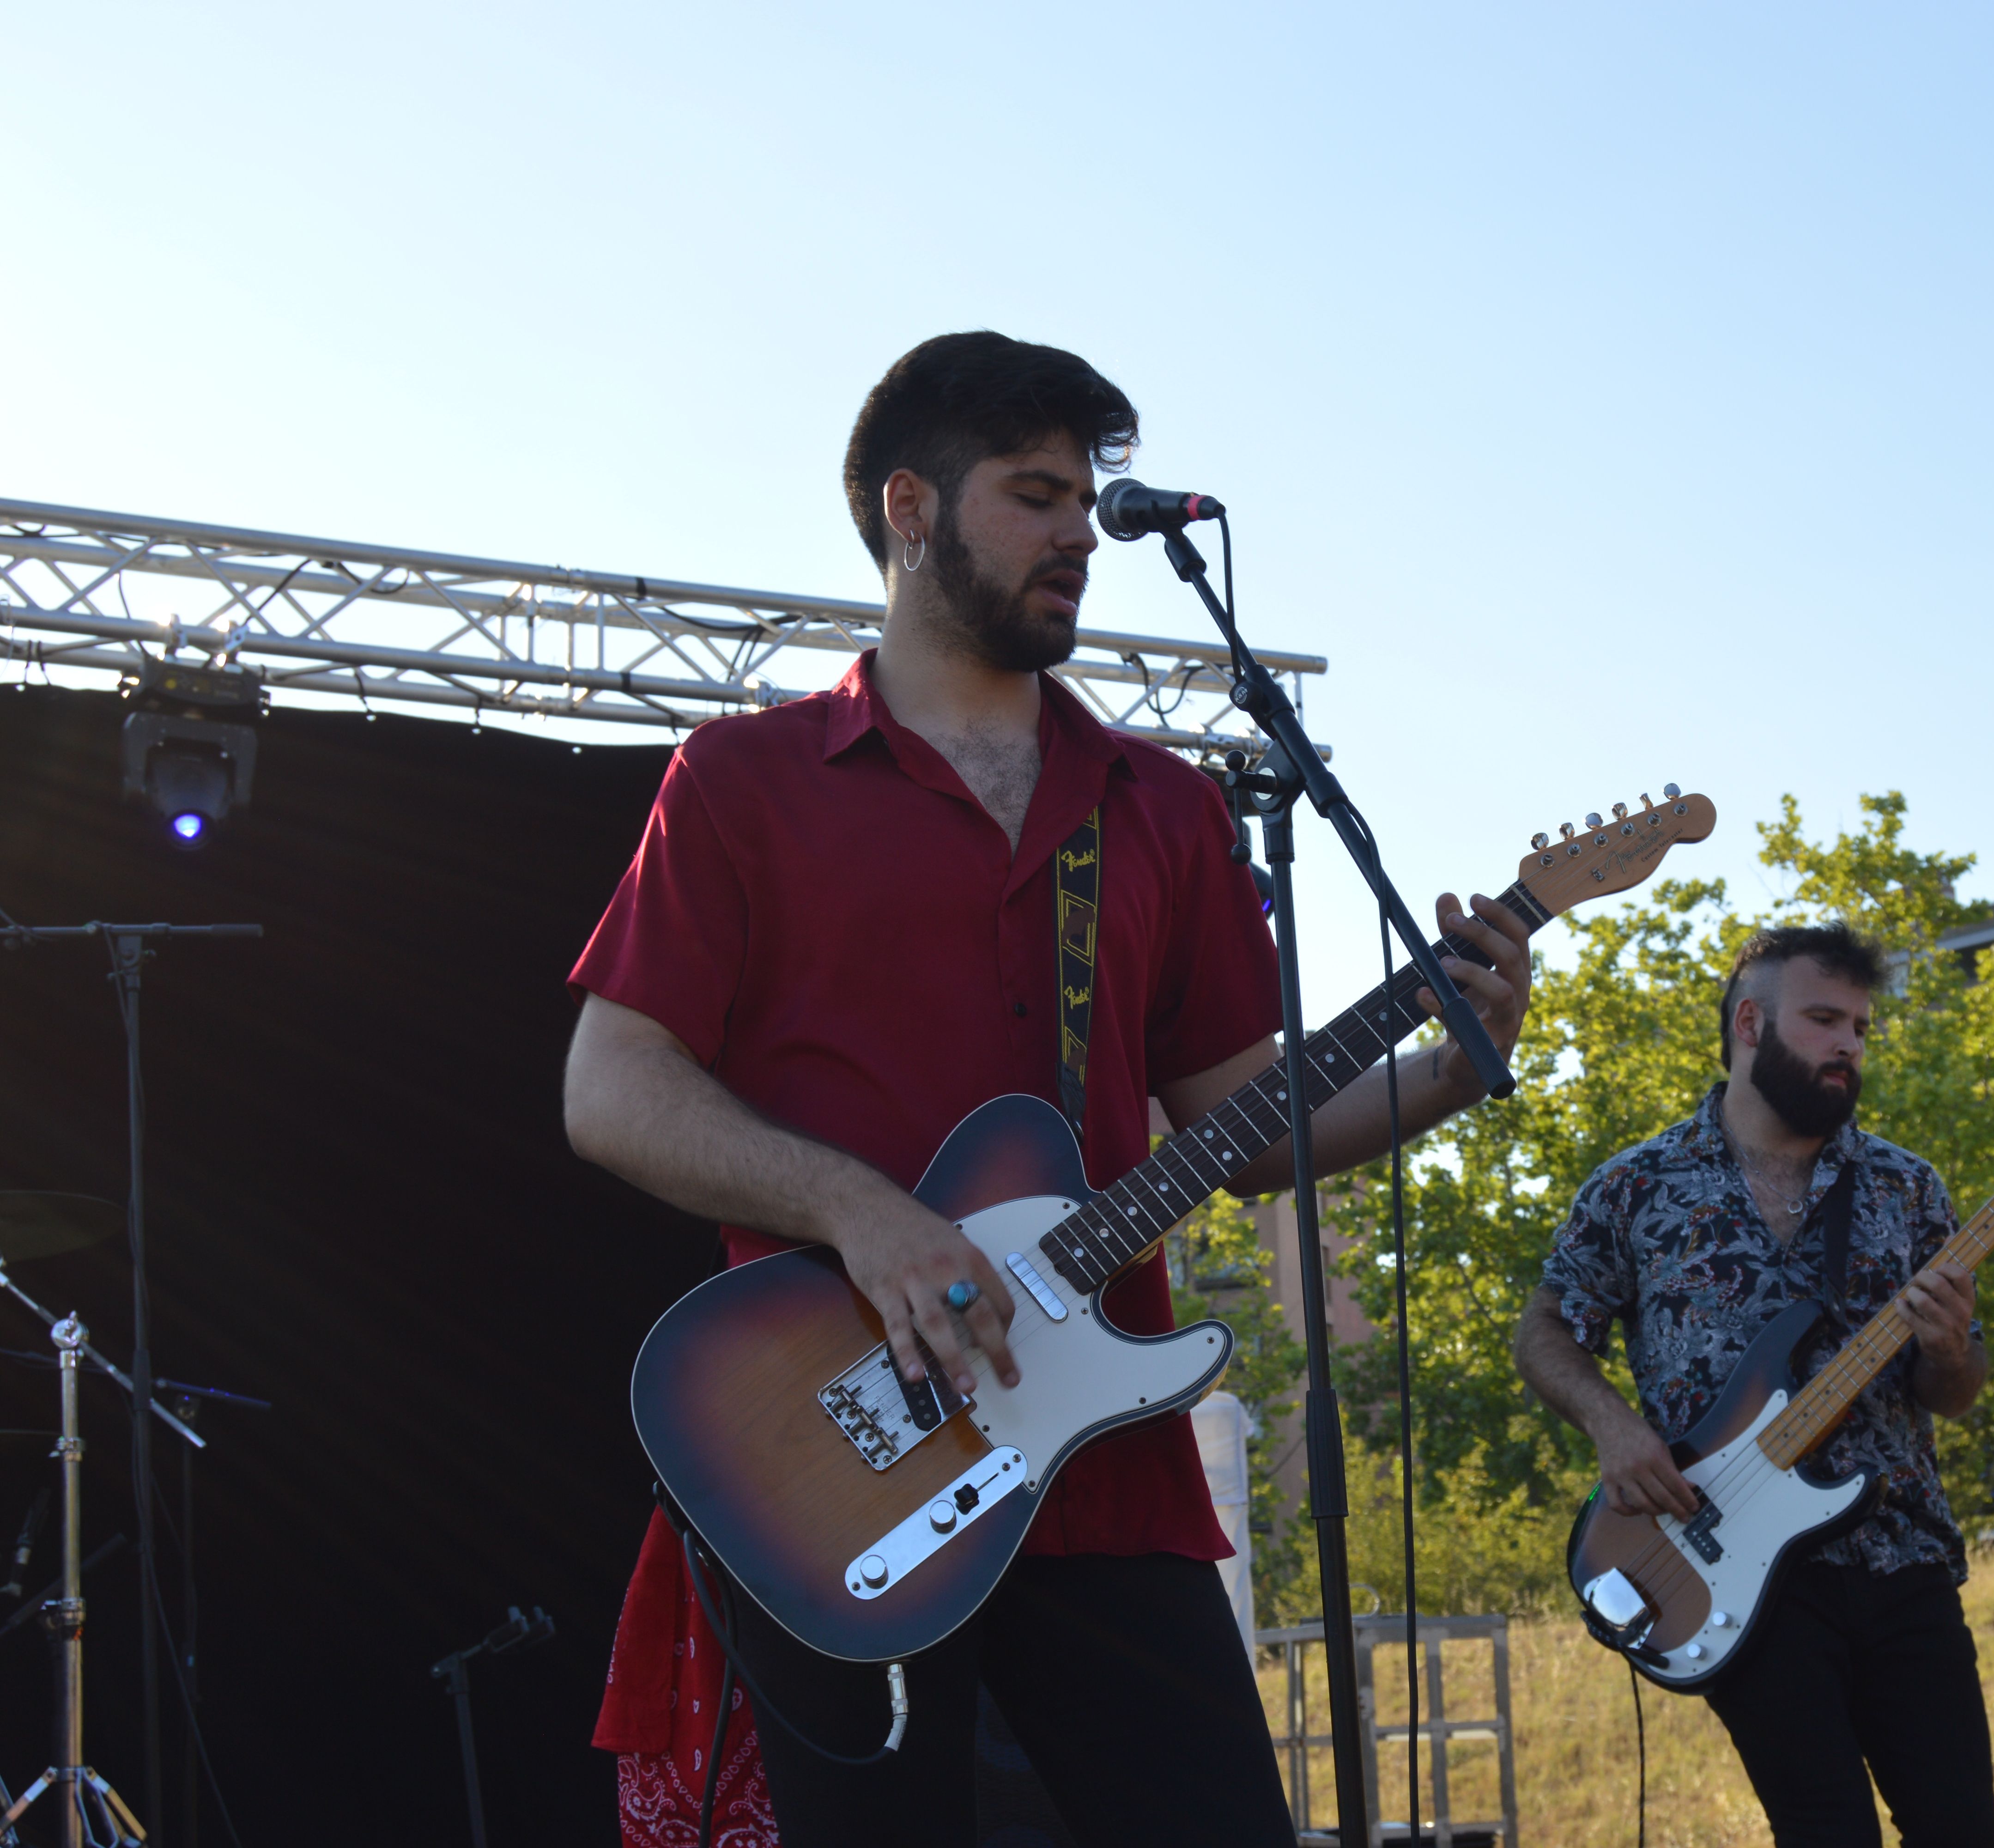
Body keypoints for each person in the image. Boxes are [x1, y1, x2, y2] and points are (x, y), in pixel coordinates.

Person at [562, 330, 1533, 1848]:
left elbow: (1246, 1119)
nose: (1079, 535)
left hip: (1110, 1463)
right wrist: (862, 1214)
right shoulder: (741, 781)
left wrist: (1453, 1065)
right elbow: (611, 1093)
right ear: (907, 509)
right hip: (843, 1458)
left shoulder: (1158, 803)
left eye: (1085, 501)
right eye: (1033, 495)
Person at [1513, 922, 1994, 1848]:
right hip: (1731, 1564)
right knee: (1824, 1831)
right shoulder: (1635, 1186)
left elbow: (1956, 1386)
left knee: (1960, 1829)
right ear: (1749, 1020)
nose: (1847, 1045)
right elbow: (1544, 1329)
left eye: (1859, 1026)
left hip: (1903, 1558)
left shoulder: (1905, 1186)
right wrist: (1613, 1428)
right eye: (1823, 1018)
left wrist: (1945, 1350)